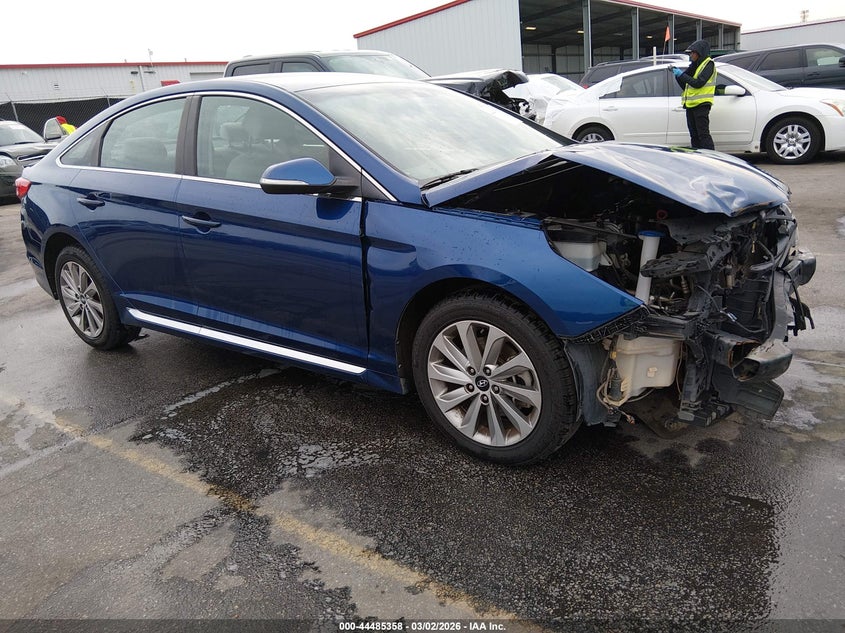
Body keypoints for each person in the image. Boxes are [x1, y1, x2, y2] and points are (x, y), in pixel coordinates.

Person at [671, 39, 717, 150]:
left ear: (699, 52)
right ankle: (697, 157)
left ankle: (710, 157)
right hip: (691, 105)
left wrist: (681, 75)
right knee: (694, 135)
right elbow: (685, 83)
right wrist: (677, 75)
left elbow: (698, 83)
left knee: (703, 135)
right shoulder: (695, 65)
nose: (691, 55)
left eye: (693, 53)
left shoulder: (708, 64)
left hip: (702, 105)